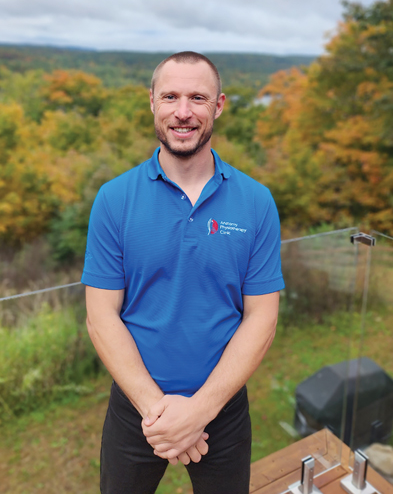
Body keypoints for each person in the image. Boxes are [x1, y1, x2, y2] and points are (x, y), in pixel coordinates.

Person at [82, 51, 284, 494]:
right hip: (135, 407)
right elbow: (101, 316)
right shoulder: (114, 199)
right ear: (152, 101)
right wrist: (158, 412)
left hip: (223, 411)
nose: (183, 111)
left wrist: (200, 411)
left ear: (220, 104)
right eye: (170, 96)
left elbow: (262, 318)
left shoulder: (256, 201)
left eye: (198, 97)